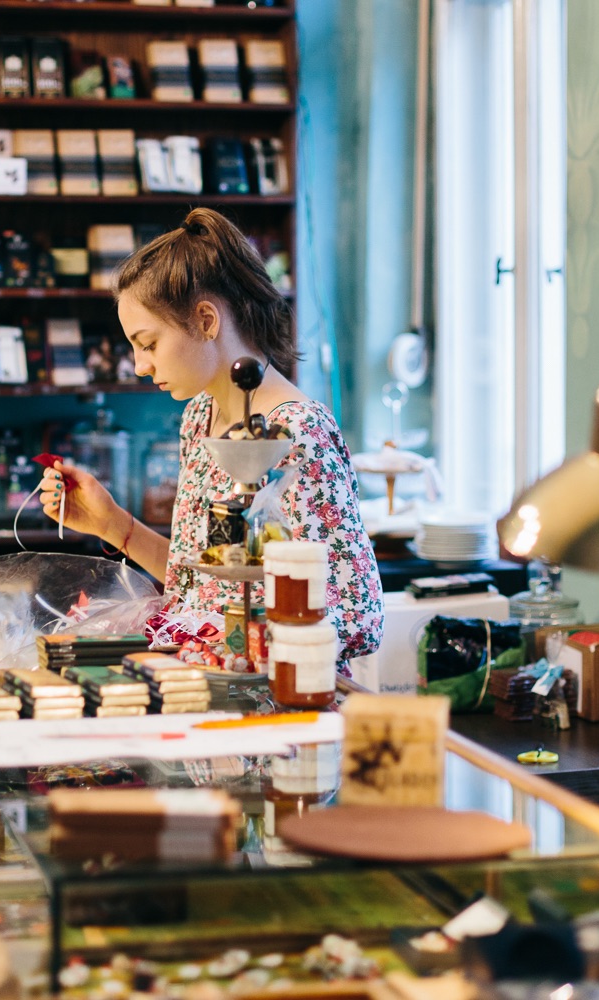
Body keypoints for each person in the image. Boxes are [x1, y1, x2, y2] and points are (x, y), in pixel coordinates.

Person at [38, 208, 383, 672]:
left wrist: (239, 638)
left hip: (276, 712)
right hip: (205, 699)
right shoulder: (200, 416)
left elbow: (357, 615)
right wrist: (111, 524)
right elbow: (197, 588)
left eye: (149, 343)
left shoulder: (298, 433)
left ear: (205, 319)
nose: (140, 366)